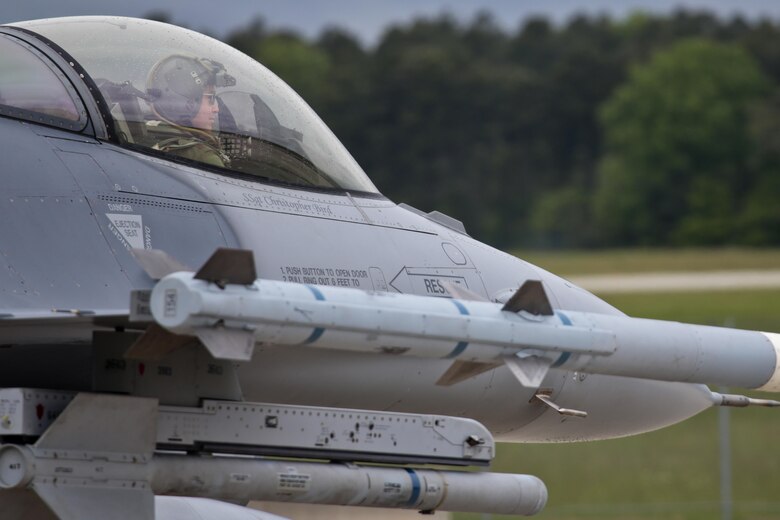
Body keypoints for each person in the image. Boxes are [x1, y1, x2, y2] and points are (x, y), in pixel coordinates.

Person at [146, 54, 233, 167]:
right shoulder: (203, 157)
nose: (216, 109)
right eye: (210, 98)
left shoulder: (146, 132)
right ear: (186, 105)